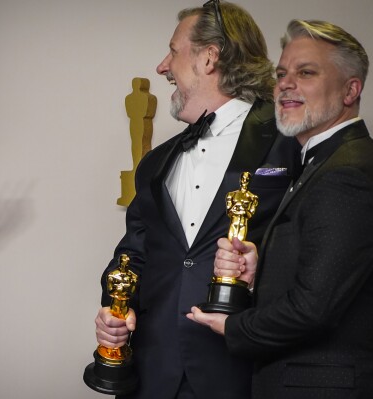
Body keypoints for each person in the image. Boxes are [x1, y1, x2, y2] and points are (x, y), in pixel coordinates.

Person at [94, 2, 299, 398]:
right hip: (153, 372)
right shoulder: (156, 162)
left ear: (209, 57)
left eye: (173, 51)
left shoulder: (289, 140)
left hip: (242, 371)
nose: (162, 67)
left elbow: (312, 253)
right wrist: (114, 308)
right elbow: (133, 254)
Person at [189, 20, 373, 398]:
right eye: (282, 73)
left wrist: (232, 327)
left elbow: (313, 309)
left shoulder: (347, 171)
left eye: (306, 73)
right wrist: (262, 271)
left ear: (350, 90)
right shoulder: (321, 162)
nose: (285, 85)